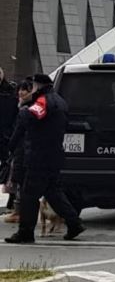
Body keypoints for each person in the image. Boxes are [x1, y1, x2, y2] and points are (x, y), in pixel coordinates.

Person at [5, 74, 85, 244]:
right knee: (53, 192)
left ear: (38, 86)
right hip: (54, 155)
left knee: (28, 195)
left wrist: (23, 111)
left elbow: (30, 117)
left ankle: (25, 232)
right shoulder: (60, 101)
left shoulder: (43, 102)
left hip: (39, 157)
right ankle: (74, 223)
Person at [2, 80, 32, 223]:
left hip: (21, 146)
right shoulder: (19, 104)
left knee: (19, 178)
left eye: (24, 90)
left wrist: (11, 143)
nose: (21, 92)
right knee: (14, 176)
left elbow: (20, 129)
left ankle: (19, 211)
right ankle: (16, 208)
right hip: (16, 144)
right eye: (20, 89)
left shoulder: (27, 108)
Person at [0, 68, 18, 211]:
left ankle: (12, 199)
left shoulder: (11, 91)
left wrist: (11, 133)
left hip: (6, 136)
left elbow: (16, 114)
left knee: (9, 168)